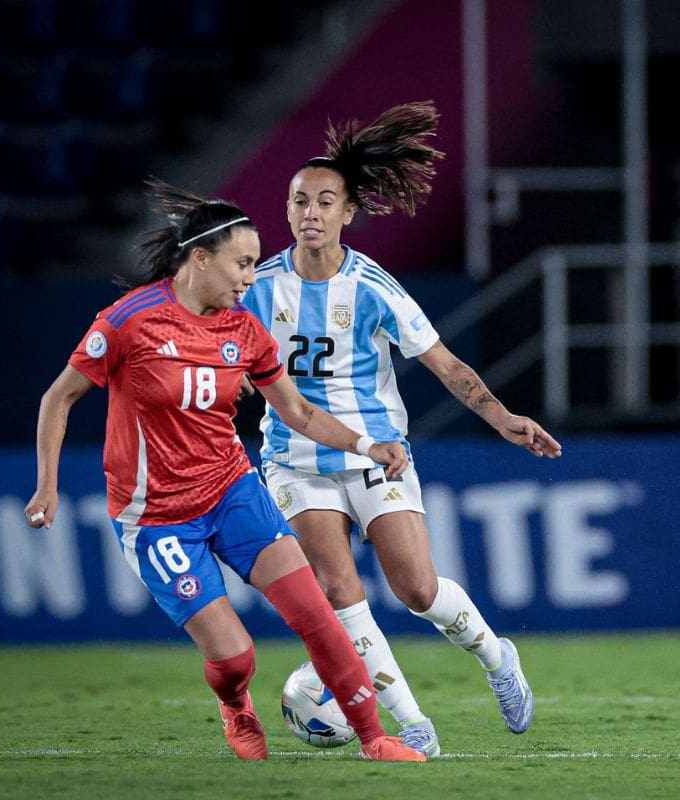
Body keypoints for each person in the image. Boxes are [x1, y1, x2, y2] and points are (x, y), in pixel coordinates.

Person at [23, 180, 424, 762]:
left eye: (255, 265)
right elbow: (58, 398)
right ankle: (236, 704)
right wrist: (47, 485)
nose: (249, 277)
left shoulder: (244, 330)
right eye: (241, 263)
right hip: (156, 517)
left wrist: (368, 442)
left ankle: (374, 738)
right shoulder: (130, 321)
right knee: (235, 658)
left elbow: (300, 410)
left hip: (233, 492)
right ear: (200, 258)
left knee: (316, 614)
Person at [241, 101, 562, 756]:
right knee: (339, 590)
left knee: (417, 589)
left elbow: (444, 363)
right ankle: (412, 725)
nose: (310, 213)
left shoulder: (373, 288)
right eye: (299, 200)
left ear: (348, 212)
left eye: (325, 201)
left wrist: (501, 417)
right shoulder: (257, 285)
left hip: (376, 456)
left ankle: (497, 657)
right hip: (295, 463)